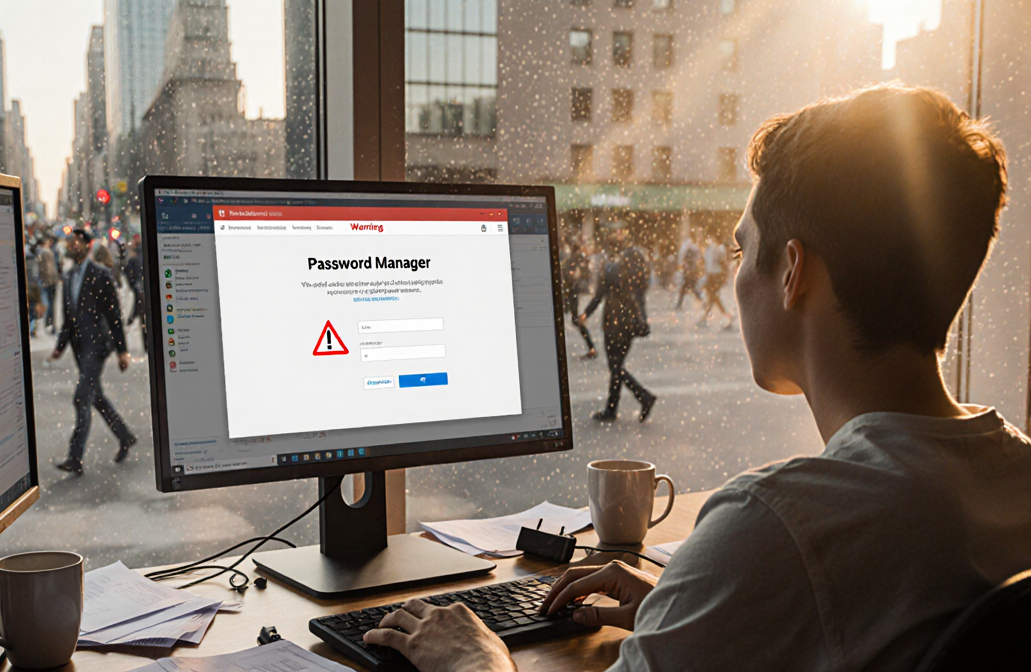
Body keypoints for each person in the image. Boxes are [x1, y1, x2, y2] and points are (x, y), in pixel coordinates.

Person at [361, 85, 1031, 672]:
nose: (735, 274)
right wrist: (702, 609)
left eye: (742, 248)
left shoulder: (778, 525)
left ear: (793, 273)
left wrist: (476, 659)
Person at [52, 229, 137, 475]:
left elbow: (114, 316)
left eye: (76, 241)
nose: (71, 245)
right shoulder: (68, 278)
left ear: (87, 246)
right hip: (80, 348)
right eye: (69, 242)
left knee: (81, 398)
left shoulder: (100, 275)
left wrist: (122, 351)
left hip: (97, 346)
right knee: (95, 398)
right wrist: (59, 347)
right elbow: (69, 318)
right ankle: (125, 436)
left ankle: (75, 457)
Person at [579, 234, 656, 423]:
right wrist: (643, 321)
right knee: (617, 367)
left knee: (615, 368)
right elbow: (640, 300)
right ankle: (612, 408)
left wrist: (585, 314)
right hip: (629, 327)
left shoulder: (612, 271)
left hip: (613, 325)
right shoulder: (640, 277)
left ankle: (642, 397)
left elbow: (599, 296)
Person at [562, 236, 597, 359]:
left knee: (577, 320)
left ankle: (591, 347)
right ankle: (591, 347)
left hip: (575, 293)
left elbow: (568, 276)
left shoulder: (573, 259)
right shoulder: (580, 258)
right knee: (576, 320)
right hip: (579, 292)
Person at [700, 232, 734, 329]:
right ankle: (727, 317)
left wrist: (724, 277)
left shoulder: (716, 249)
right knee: (713, 297)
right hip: (713, 276)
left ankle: (726, 318)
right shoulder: (713, 249)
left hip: (714, 276)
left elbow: (723, 264)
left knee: (713, 297)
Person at [124, 235, 147, 351]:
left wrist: (133, 284)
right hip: (141, 287)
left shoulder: (134, 256)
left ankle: (132, 317)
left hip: (140, 288)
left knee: (142, 313)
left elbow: (128, 271)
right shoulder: (140, 254)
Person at [673, 232, 703, 310]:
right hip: (692, 271)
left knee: (689, 288)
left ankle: (702, 302)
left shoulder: (690, 247)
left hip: (689, 272)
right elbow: (698, 260)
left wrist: (686, 268)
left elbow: (687, 259)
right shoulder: (696, 248)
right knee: (690, 288)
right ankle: (702, 302)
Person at [38, 236, 60, 335]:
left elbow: (43, 268)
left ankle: (49, 323)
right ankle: (51, 324)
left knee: (48, 303)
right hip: (52, 280)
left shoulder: (43, 252)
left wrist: (44, 280)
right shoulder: (50, 251)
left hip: (48, 280)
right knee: (51, 303)